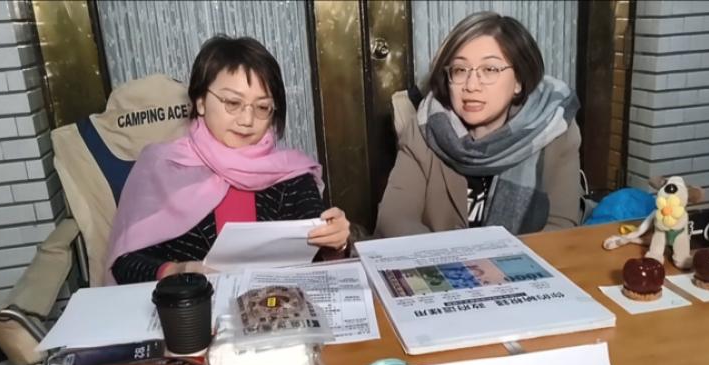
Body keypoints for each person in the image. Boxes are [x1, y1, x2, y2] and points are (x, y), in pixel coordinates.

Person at [106, 35, 350, 284]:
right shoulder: (161, 166)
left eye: (262, 107)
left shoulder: (292, 173)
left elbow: (321, 254)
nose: (247, 120)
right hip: (190, 305)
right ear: (201, 101)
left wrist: (337, 243)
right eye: (233, 103)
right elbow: (125, 264)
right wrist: (176, 271)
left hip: (275, 303)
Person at [375, 12, 582, 238]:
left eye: (490, 69)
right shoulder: (425, 130)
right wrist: (455, 257)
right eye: (460, 70)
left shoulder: (554, 131)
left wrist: (499, 257)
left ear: (519, 81)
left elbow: (560, 228)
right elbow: (394, 219)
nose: (472, 85)